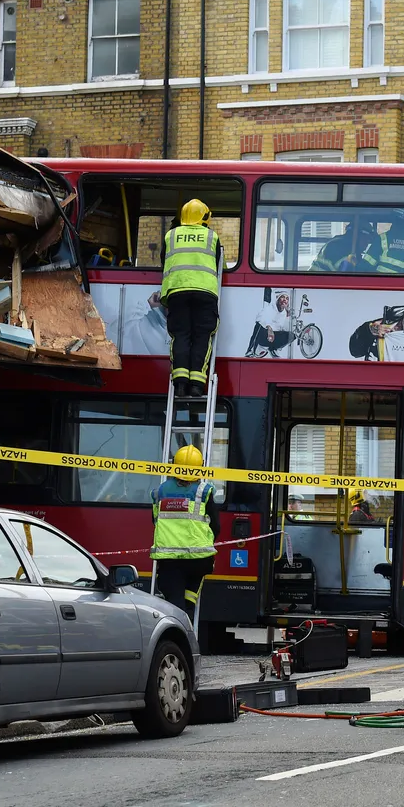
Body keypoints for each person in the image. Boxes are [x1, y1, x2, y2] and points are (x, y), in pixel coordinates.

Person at [161, 198, 223, 397]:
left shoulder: (170, 236)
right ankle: (197, 384)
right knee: (202, 336)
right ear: (205, 217)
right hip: (205, 292)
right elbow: (218, 263)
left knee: (181, 335)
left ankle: (179, 383)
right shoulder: (211, 237)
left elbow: (164, 261)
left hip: (177, 292)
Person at [150, 445, 219, 621]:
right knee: (189, 600)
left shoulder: (159, 492)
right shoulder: (205, 491)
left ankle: (179, 638)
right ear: (200, 467)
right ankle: (187, 621)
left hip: (169, 560)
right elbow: (216, 525)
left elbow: (155, 521)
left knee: (174, 603)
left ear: (174, 465)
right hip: (199, 559)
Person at [360, 209, 404, 274]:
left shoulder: (382, 238)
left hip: (383, 282)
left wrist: (355, 266)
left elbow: (367, 265)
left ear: (393, 219)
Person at [311, 221, 377, 272]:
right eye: (366, 239)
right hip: (319, 285)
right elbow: (349, 276)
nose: (367, 244)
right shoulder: (340, 247)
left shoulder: (344, 245)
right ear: (357, 236)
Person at [246, 289, 293, 358]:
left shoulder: (284, 313)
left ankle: (273, 349)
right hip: (264, 335)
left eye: (287, 298)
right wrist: (269, 328)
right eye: (283, 297)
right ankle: (250, 350)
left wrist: (288, 316)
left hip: (273, 338)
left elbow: (285, 328)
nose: (285, 300)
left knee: (291, 335)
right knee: (259, 325)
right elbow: (260, 318)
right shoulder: (270, 308)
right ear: (278, 298)